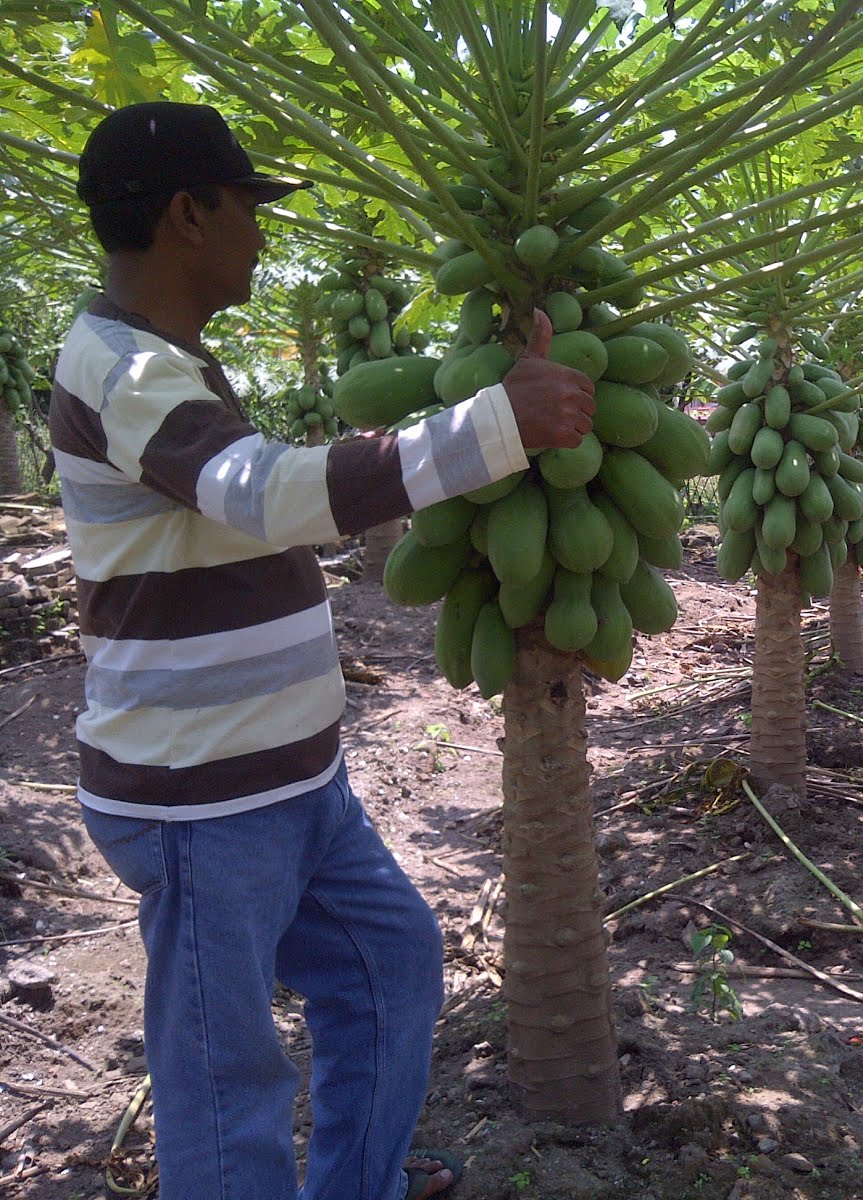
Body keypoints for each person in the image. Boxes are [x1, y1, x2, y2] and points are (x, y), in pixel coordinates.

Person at [51, 102, 595, 1200]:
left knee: (389, 968)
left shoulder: (171, 357)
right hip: (200, 803)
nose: (264, 234)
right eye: (248, 209)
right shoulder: (117, 366)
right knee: (223, 1077)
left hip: (291, 783)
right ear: (185, 215)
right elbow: (265, 495)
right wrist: (493, 425)